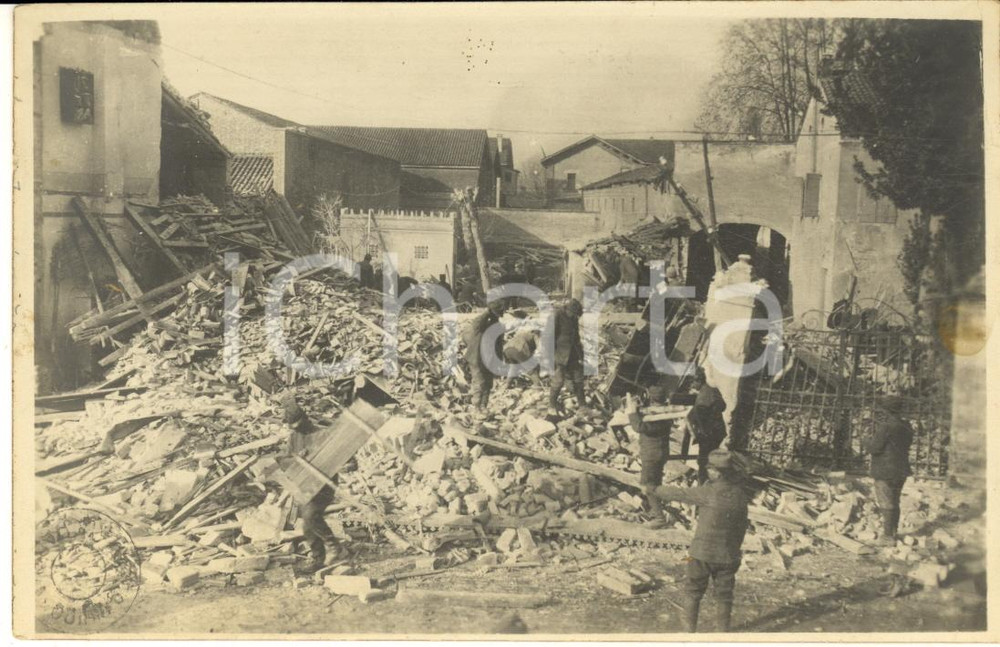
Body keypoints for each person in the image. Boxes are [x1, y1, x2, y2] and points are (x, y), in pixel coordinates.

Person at [654, 449, 752, 633]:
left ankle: (689, 637)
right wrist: (734, 553)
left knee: (692, 592)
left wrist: (654, 489)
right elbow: (742, 528)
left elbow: (679, 493)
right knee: (724, 597)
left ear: (718, 472)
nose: (708, 471)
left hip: (700, 555)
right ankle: (722, 637)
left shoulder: (708, 492)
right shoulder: (741, 495)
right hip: (729, 556)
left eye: (710, 468)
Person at [280, 394, 338, 575]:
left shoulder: (321, 434)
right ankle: (318, 558)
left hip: (323, 485)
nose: (297, 430)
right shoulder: (294, 438)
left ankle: (336, 549)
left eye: (299, 426)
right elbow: (287, 460)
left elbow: (339, 460)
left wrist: (312, 455)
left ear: (305, 419)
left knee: (311, 514)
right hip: (305, 484)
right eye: (293, 428)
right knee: (306, 523)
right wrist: (295, 459)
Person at [864, 396, 913, 546]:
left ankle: (887, 537)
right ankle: (894, 532)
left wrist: (865, 440)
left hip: (885, 470)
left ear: (886, 411)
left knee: (886, 502)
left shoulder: (885, 427)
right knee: (895, 501)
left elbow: (874, 448)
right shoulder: (907, 426)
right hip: (901, 469)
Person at [624, 386, 673, 528]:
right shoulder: (666, 411)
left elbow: (639, 427)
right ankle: (654, 510)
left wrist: (632, 412)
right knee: (655, 483)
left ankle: (659, 518)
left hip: (652, 454)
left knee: (647, 486)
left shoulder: (657, 415)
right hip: (660, 452)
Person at [463, 300, 506, 416]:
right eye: (496, 313)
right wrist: (487, 312)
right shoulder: (480, 325)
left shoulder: (498, 326)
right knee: (479, 382)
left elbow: (499, 346)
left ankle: (483, 406)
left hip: (489, 359)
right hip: (477, 358)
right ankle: (476, 407)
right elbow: (476, 322)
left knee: (488, 384)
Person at [547, 298, 586, 417]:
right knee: (558, 382)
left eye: (576, 315)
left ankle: (583, 405)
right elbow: (549, 338)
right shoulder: (556, 315)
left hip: (573, 354)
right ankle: (552, 405)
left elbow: (577, 338)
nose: (574, 317)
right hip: (560, 355)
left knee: (579, 380)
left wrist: (581, 355)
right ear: (568, 309)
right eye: (573, 314)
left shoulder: (573, 318)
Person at [687, 372, 727, 484]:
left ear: (699, 381)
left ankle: (703, 482)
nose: (692, 385)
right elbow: (723, 406)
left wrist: (700, 431)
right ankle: (713, 480)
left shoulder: (702, 398)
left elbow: (699, 415)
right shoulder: (712, 389)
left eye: (693, 382)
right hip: (718, 431)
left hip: (709, 433)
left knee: (703, 460)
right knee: (713, 457)